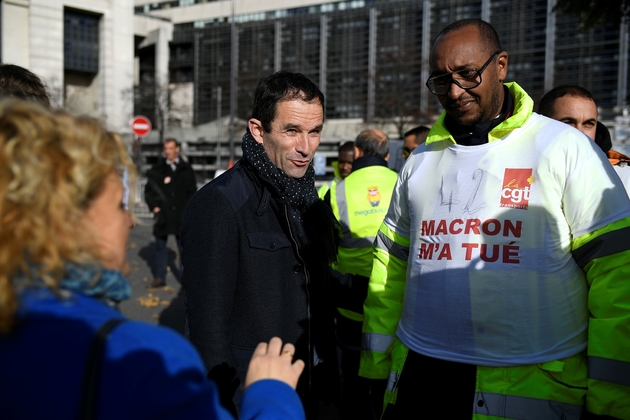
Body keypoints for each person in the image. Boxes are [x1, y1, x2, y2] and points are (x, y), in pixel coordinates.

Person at [359, 19, 630, 419]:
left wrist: (611, 403)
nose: (454, 91)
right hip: (419, 379)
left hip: (530, 386)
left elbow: (617, 279)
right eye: (440, 80)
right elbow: (389, 273)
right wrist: (372, 375)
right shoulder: (419, 162)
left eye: (468, 74)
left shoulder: (564, 149)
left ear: (500, 65)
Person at [0, 99, 306, 420]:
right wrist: (270, 393)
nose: (130, 222)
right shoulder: (144, 361)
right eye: (119, 206)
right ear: (70, 222)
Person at [181, 71, 340, 417]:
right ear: (258, 130)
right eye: (292, 131)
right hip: (249, 399)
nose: (306, 147)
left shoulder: (309, 198)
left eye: (315, 132)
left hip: (313, 391)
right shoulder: (219, 204)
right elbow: (208, 332)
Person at [328, 129, 397, 419]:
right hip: (394, 300)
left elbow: (324, 252)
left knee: (352, 378)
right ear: (388, 154)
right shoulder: (405, 182)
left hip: (350, 301)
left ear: (356, 152)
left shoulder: (336, 190)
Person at [539, 85, 630, 196]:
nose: (579, 133)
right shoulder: (520, 171)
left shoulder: (624, 179)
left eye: (588, 124)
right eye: (568, 122)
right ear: (542, 124)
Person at [144, 137, 197, 288]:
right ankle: (159, 278)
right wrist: (154, 206)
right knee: (160, 247)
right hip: (163, 215)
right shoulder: (157, 169)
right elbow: (149, 190)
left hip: (181, 215)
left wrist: (189, 210)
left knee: (184, 248)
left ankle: (186, 280)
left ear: (177, 149)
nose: (168, 152)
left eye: (170, 148)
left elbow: (192, 192)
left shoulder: (186, 168)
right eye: (165, 149)